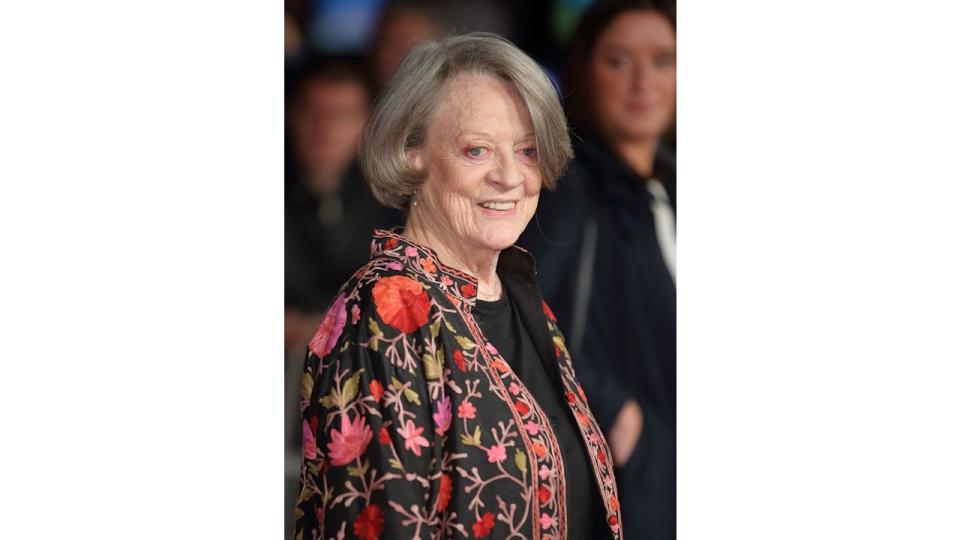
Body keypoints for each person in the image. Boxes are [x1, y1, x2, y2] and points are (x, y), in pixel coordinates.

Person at [294, 33, 623, 539]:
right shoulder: (386, 313)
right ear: (411, 154)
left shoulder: (517, 295)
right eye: (477, 151)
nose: (510, 176)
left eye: (528, 150)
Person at [519, 1, 677, 539]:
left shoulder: (670, 184)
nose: (642, 83)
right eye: (618, 61)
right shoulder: (568, 190)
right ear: (585, 71)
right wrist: (618, 414)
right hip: (633, 479)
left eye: (663, 60)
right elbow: (526, 305)